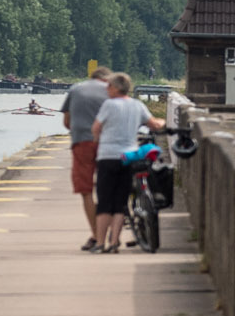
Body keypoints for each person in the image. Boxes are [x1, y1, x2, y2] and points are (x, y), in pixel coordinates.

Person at [91, 72, 166, 253]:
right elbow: (154, 124)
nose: (107, 90)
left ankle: (100, 243)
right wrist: (163, 122)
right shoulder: (137, 105)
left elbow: (96, 128)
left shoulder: (109, 105)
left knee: (104, 201)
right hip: (128, 158)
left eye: (109, 86)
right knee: (120, 202)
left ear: (116, 88)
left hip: (108, 156)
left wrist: (98, 143)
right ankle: (115, 242)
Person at [61, 67, 110, 251]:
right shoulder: (110, 90)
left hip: (82, 143)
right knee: (108, 188)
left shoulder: (75, 89)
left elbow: (67, 122)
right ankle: (110, 235)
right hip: (107, 144)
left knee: (86, 190)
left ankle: (97, 235)